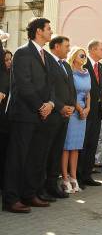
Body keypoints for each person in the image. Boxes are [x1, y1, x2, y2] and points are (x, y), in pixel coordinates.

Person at [2, 17, 55, 213]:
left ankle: (29, 194)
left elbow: (52, 85)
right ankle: (11, 199)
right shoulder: (22, 53)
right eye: (48, 28)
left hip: (42, 115)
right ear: (38, 31)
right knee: (17, 158)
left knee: (35, 157)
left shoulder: (47, 56)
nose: (51, 31)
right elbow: (24, 85)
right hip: (23, 114)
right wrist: (40, 106)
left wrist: (50, 103)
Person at [42, 36, 76, 200]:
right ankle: (41, 187)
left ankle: (52, 185)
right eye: (66, 46)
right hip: (53, 115)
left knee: (57, 151)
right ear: (56, 46)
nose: (69, 49)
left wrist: (72, 105)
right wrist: (61, 106)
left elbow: (71, 88)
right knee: (46, 151)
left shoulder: (66, 65)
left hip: (65, 116)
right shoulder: (47, 61)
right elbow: (49, 89)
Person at [61, 47, 89, 193]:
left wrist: (87, 108)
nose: (84, 57)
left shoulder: (86, 72)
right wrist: (79, 109)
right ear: (74, 56)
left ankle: (74, 178)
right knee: (67, 146)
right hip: (72, 110)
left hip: (83, 113)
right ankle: (64, 179)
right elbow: (70, 93)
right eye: (81, 55)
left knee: (76, 147)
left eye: (85, 55)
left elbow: (88, 93)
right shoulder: (69, 72)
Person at [78, 40, 102, 188]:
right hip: (84, 110)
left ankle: (87, 175)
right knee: (82, 144)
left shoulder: (100, 67)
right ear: (93, 50)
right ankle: (78, 176)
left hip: (97, 111)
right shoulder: (83, 63)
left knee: (92, 144)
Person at [0, 49, 11, 192]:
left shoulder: (10, 76)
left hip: (7, 121)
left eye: (10, 59)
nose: (9, 62)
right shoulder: (3, 77)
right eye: (6, 59)